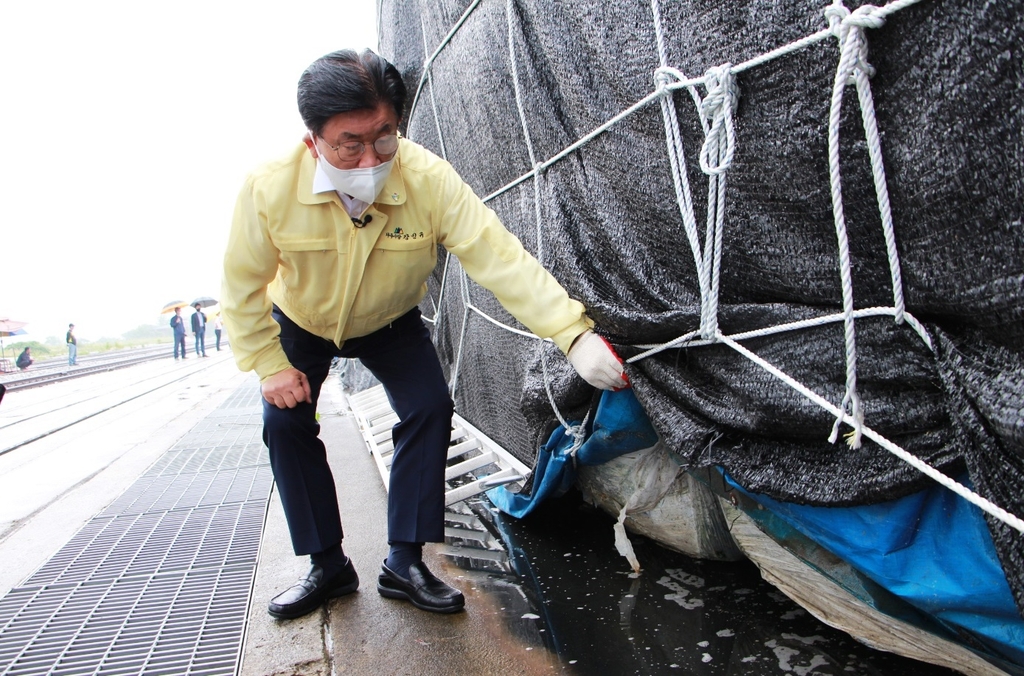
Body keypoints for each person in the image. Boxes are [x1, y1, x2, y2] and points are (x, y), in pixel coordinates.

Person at [221, 48, 627, 622]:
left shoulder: (428, 178)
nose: (371, 157)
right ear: (313, 142)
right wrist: (268, 363)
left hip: (390, 320)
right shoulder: (268, 189)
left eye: (384, 137)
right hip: (303, 323)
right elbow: (240, 288)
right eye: (349, 144)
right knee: (285, 423)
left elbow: (498, 258)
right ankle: (326, 564)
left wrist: (572, 334)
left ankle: (404, 561)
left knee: (431, 406)